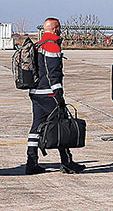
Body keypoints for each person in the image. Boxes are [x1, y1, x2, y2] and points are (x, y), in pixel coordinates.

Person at [25, 17, 85, 174]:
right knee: (62, 124)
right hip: (48, 94)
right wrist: (59, 95)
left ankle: (31, 162)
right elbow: (54, 74)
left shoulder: (38, 45)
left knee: (36, 128)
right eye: (59, 28)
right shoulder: (52, 46)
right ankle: (67, 162)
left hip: (36, 93)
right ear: (55, 29)